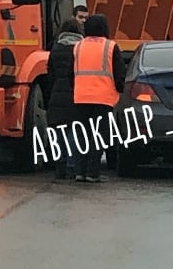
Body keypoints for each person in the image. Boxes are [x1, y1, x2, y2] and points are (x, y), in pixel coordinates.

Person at [72, 13, 125, 183]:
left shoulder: (78, 46)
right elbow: (119, 73)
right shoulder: (110, 47)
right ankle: (92, 173)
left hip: (80, 98)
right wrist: (121, 90)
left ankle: (79, 172)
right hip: (103, 99)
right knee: (99, 136)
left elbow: (70, 73)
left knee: (83, 136)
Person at [46, 18, 85, 181]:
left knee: (59, 132)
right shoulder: (81, 49)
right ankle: (71, 166)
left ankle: (59, 166)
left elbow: (50, 73)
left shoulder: (55, 48)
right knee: (73, 131)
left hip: (56, 93)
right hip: (75, 94)